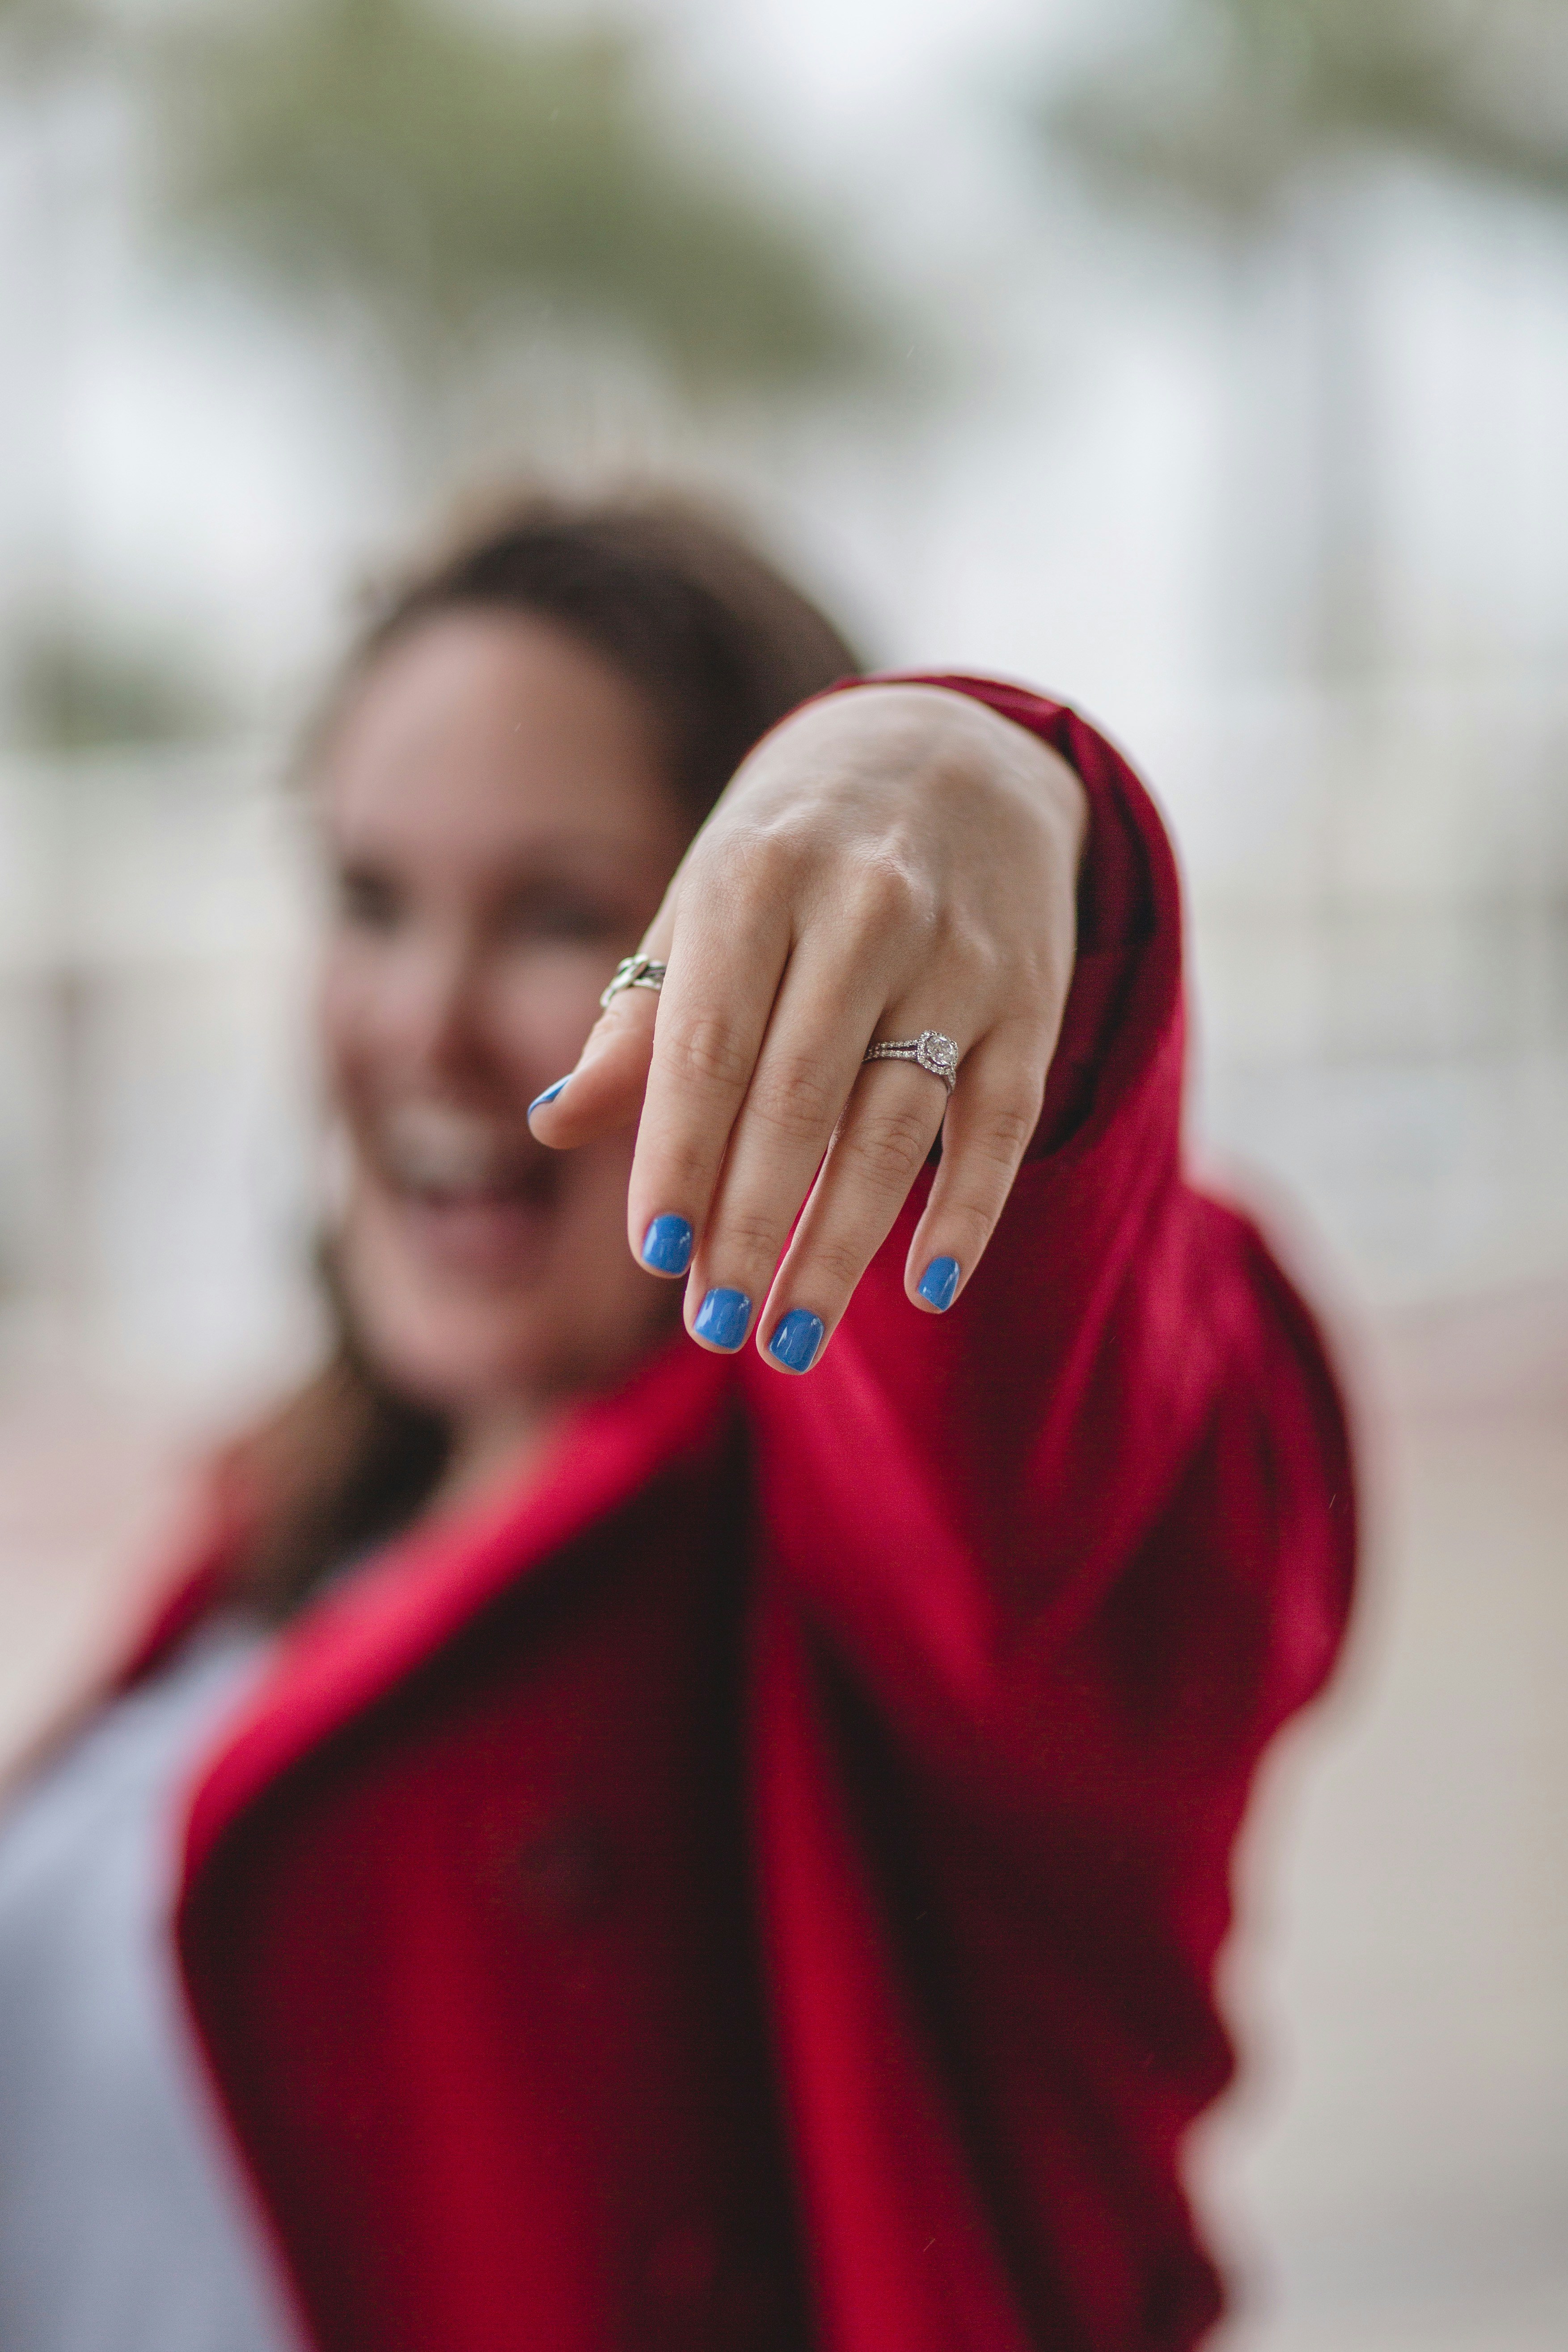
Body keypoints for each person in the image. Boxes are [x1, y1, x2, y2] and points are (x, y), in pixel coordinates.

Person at [0, 495, 1354, 2352]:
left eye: (567, 916)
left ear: (829, 960)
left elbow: (1062, 1346)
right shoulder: (290, 1507)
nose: (425, 1018)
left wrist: (984, 776)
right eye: (370, 898)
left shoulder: (895, 1553)